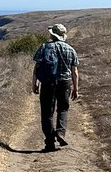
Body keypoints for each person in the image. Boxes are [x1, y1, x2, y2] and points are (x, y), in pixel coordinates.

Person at [32, 23, 80, 152]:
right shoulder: (70, 49)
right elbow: (74, 71)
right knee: (63, 109)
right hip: (65, 82)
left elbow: (37, 68)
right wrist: (76, 88)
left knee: (47, 113)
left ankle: (49, 142)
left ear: (52, 34)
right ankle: (60, 133)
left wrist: (35, 83)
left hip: (48, 83)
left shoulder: (44, 47)